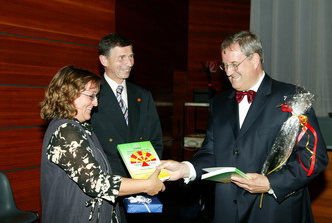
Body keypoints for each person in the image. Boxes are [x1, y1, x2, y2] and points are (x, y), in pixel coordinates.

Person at [159, 31, 329, 223]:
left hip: (275, 211)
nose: (228, 72)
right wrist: (185, 168)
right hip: (227, 210)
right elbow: (211, 152)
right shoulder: (219, 103)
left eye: (234, 64)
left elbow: (313, 157)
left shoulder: (292, 98)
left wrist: (269, 183)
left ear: (255, 59)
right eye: (225, 65)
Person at [40, 65, 165, 223]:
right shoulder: (66, 131)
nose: (96, 103)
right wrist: (146, 185)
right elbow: (97, 183)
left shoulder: (80, 127)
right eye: (91, 96)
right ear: (69, 95)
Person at [90, 33, 164, 222]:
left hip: (141, 186)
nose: (129, 63)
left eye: (131, 56)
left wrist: (148, 176)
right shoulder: (91, 96)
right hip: (109, 188)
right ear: (103, 60)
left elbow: (155, 140)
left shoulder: (143, 95)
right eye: (121, 57)